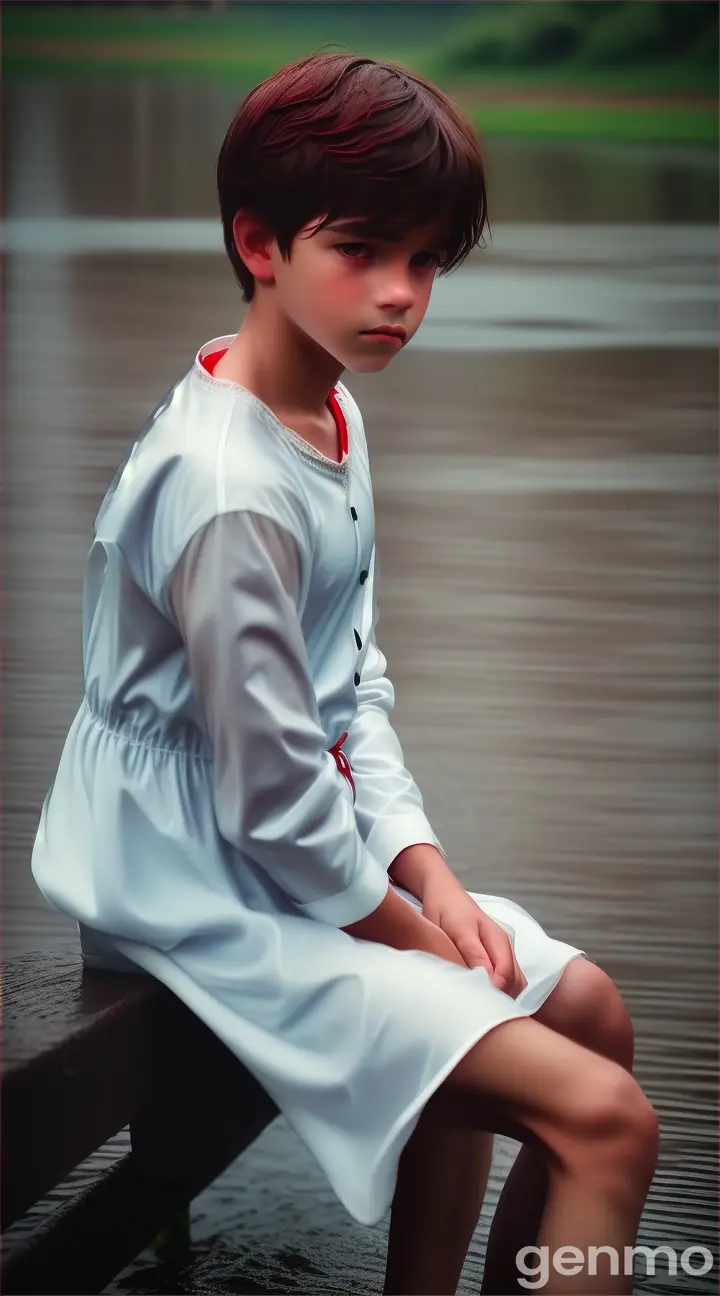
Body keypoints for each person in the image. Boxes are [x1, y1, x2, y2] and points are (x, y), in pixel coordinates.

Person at [31, 52, 658, 1295]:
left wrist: (429, 870)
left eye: (426, 260)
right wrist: (413, 938)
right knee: (607, 1120)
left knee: (594, 1018)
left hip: (280, 848)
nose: (402, 295)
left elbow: (348, 684)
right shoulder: (226, 488)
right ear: (258, 243)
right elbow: (270, 800)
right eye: (364, 250)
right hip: (190, 877)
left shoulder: (323, 407)